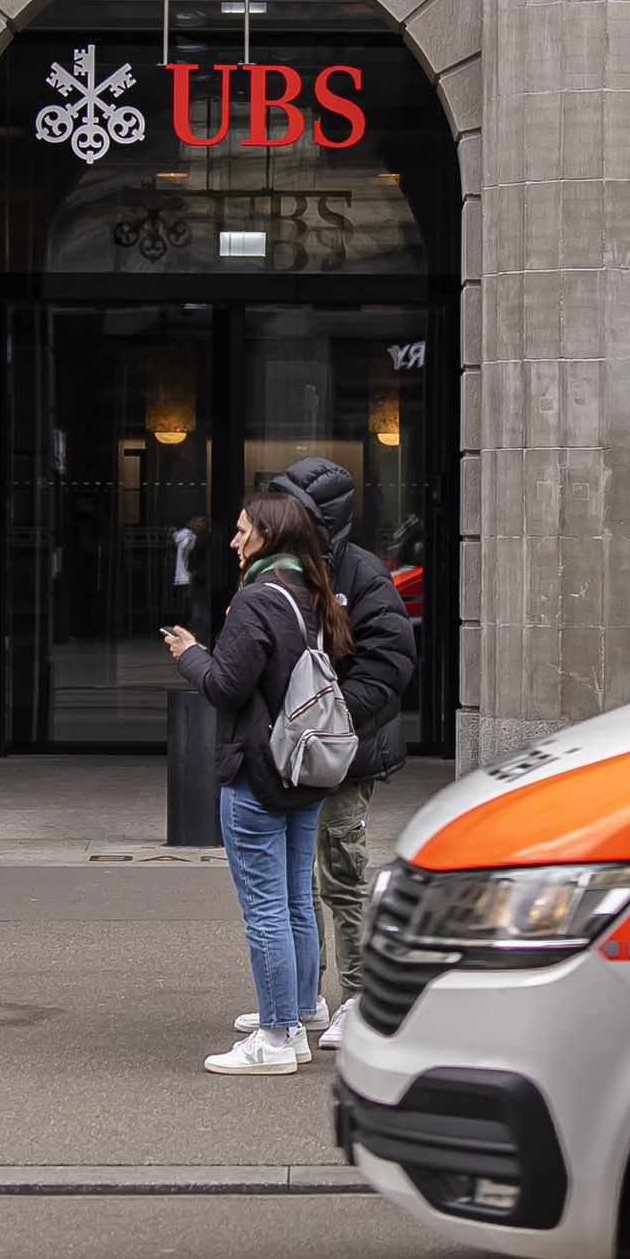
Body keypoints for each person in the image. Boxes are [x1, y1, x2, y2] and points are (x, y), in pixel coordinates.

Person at [162, 485, 351, 1076]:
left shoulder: (257, 601)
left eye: (244, 531)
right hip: (302, 769)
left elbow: (225, 687)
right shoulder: (310, 592)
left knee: (266, 908)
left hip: (257, 772)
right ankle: (294, 1015)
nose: (235, 541)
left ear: (270, 536)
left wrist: (192, 654)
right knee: (297, 899)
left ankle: (274, 1037)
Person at [267, 455, 417, 1048]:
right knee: (294, 880)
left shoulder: (359, 572)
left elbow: (390, 658)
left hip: (344, 752)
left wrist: (335, 718)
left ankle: (357, 997)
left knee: (342, 872)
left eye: (291, 505)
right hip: (292, 752)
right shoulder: (281, 569)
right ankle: (307, 1000)